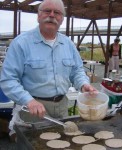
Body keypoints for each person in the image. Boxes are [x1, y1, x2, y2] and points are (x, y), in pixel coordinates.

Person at [0, 0, 97, 141]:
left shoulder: (68, 44)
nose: (52, 15)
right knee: (33, 144)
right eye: (47, 11)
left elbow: (77, 71)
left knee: (63, 143)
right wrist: (28, 100)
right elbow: (8, 79)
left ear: (62, 19)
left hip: (62, 106)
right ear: (38, 16)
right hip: (33, 109)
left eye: (57, 12)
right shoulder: (21, 43)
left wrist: (83, 84)